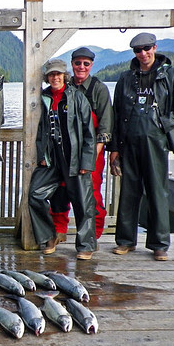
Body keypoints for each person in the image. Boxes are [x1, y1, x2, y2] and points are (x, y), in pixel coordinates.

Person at [109, 32, 174, 261]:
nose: (143, 53)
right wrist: (114, 148)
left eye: (147, 48)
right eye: (138, 50)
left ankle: (159, 244)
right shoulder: (126, 78)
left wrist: (163, 123)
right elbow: (116, 115)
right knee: (129, 192)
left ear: (155, 48)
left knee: (157, 192)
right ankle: (125, 241)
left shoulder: (170, 74)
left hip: (156, 142)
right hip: (128, 142)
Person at [29, 58, 97, 260]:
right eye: (51, 74)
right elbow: (41, 130)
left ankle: (86, 245)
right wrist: (42, 155)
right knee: (35, 194)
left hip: (74, 158)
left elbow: (89, 132)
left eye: (58, 74)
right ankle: (49, 236)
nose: (55, 78)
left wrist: (87, 161)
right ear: (47, 77)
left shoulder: (77, 97)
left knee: (83, 202)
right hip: (52, 159)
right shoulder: (44, 98)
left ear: (64, 76)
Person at [50, 47, 113, 246]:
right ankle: (59, 229)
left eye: (86, 63)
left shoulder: (99, 89)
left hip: (91, 150)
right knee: (60, 191)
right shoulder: (65, 86)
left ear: (91, 65)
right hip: (65, 151)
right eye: (78, 63)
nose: (81, 67)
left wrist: (92, 156)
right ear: (72, 64)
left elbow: (105, 126)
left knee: (91, 194)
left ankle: (93, 234)